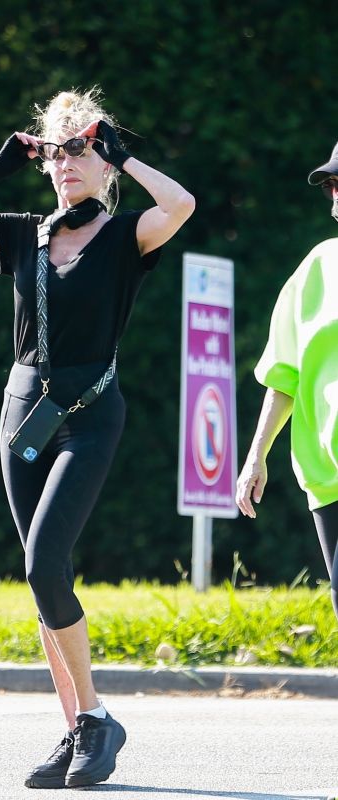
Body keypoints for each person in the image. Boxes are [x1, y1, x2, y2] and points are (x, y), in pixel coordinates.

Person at [0, 88, 195, 789]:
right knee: (43, 583)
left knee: (44, 562)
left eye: (82, 150)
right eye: (58, 151)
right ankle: (74, 731)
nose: (69, 162)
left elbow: (180, 205)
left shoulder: (129, 236)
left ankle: (95, 719)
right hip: (22, 410)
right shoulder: (19, 232)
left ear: (105, 167)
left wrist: (120, 149)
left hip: (90, 413)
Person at [236, 140, 338, 624]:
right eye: (333, 186)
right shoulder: (316, 267)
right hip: (327, 472)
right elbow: (284, 375)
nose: (336, 195)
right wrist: (256, 456)